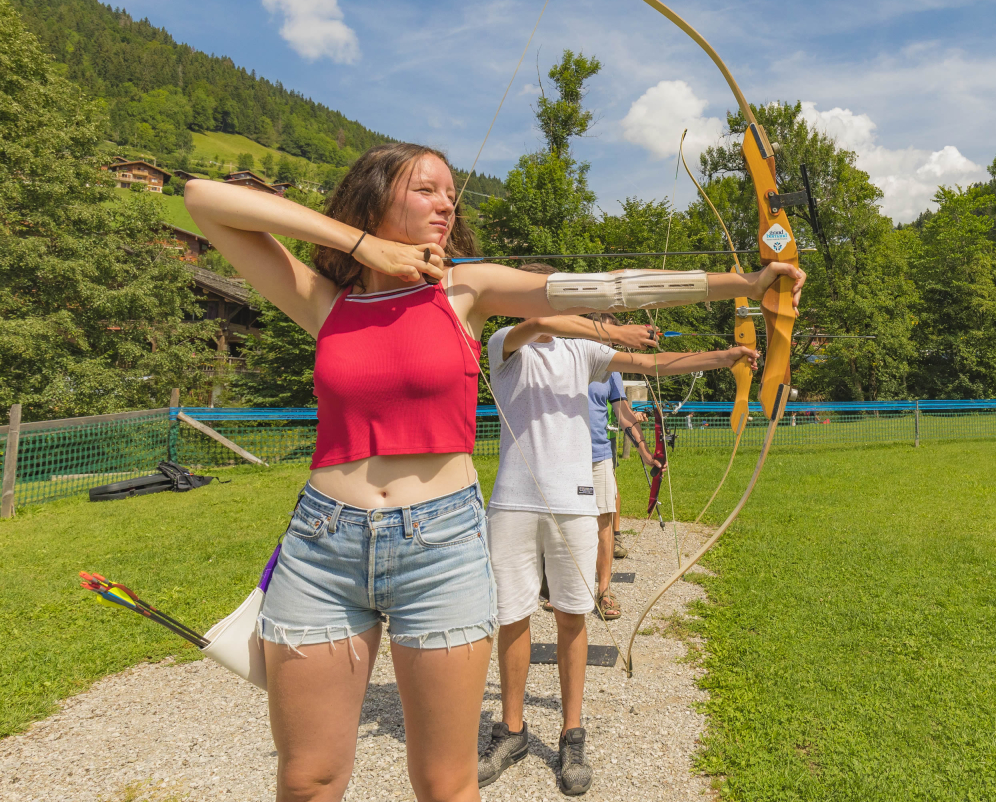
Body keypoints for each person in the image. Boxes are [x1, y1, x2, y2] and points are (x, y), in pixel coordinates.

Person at [182, 141, 803, 802]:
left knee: (445, 783)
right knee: (309, 778)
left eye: (452, 192)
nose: (446, 202)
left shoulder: (464, 290)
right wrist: (366, 248)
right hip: (323, 546)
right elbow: (203, 201)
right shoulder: (323, 301)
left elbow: (609, 287)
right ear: (373, 196)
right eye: (426, 188)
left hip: (439, 548)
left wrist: (745, 284)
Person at [476, 299, 756, 794]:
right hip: (513, 504)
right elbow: (539, 324)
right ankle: (513, 730)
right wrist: (617, 330)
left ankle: (571, 734)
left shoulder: (582, 353)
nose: (549, 311)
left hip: (575, 503)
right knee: (512, 615)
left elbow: (655, 364)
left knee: (572, 616)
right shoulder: (505, 345)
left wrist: (724, 356)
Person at [587, 312, 657, 611]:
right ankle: (565, 587)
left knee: (604, 522)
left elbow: (624, 413)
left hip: (598, 453)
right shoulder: (570, 358)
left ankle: (604, 591)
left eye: (615, 337)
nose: (611, 342)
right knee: (567, 523)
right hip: (564, 455)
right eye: (608, 336)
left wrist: (645, 452)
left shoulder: (612, 368)